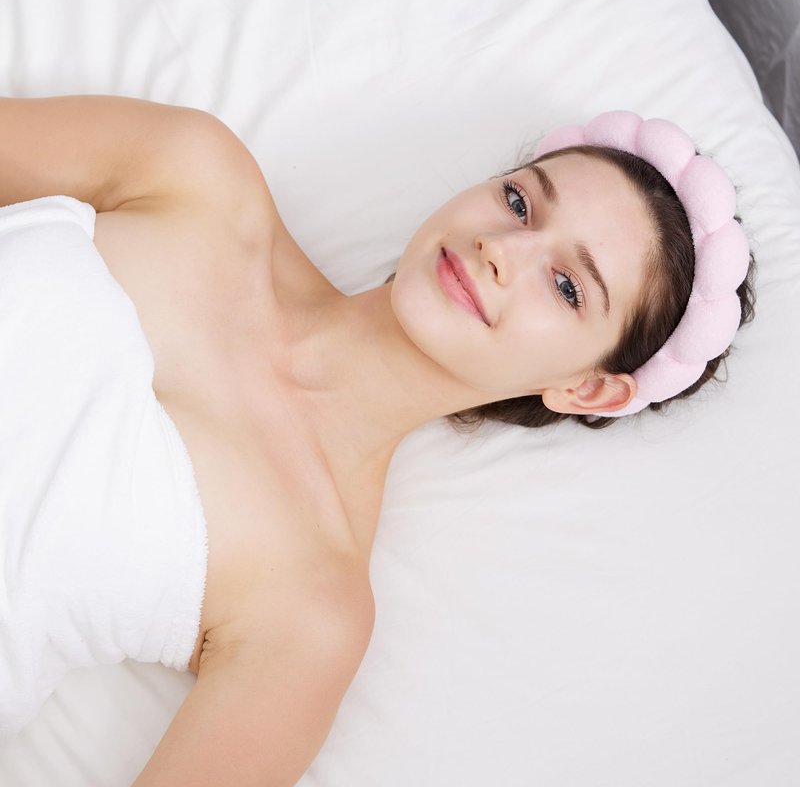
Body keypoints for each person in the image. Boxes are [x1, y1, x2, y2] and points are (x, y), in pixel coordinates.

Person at [0, 96, 755, 785]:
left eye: (567, 287)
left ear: (587, 389)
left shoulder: (310, 608)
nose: (502, 248)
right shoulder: (195, 174)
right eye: (519, 202)